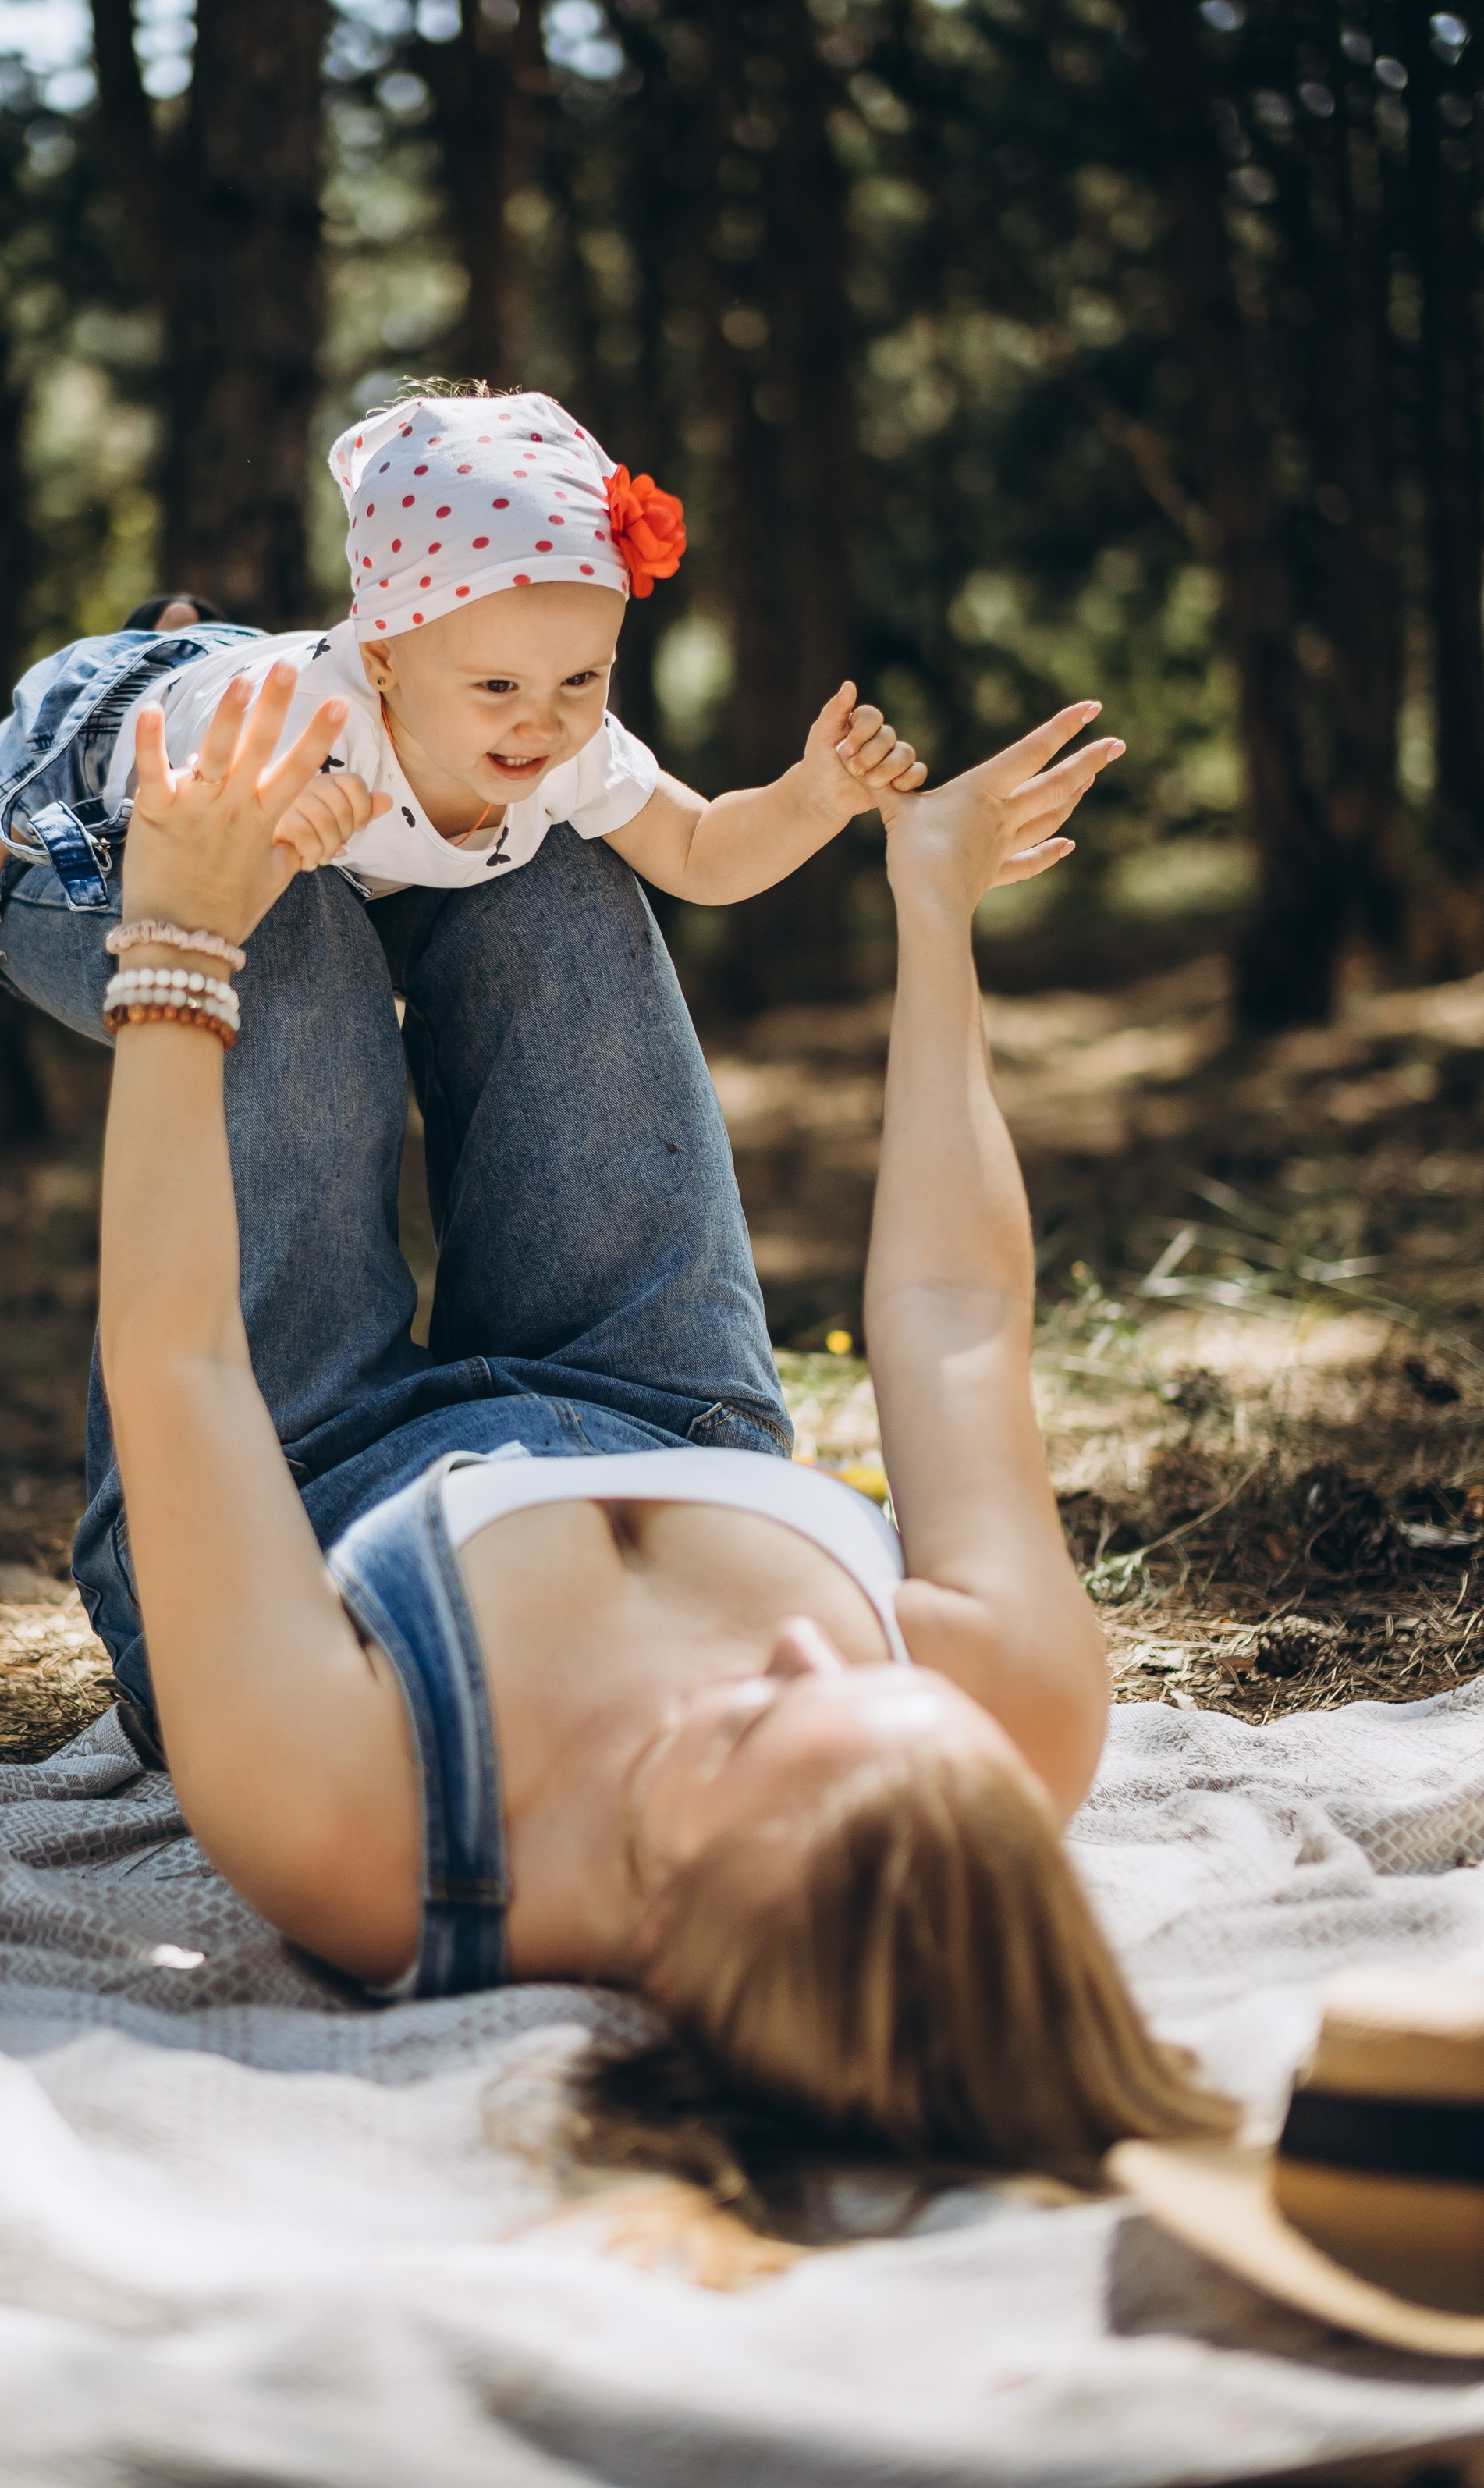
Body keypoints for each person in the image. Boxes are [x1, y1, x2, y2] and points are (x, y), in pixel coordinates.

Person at [70, 654, 1231, 2258]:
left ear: (664, 1940)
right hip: (658, 1393)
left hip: (293, 1451)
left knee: (290, 910)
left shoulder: (365, 1837)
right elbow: (959, 1316)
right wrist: (937, 905)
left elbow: (177, 1362)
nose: (811, 1648)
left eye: (765, 1718)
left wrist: (174, 945)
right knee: (539, 854)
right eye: (868, 1675)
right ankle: (223, 673)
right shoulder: (1003, 1726)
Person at [0, 386, 925, 1117]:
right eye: (499, 686)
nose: (542, 720)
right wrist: (276, 852)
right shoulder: (327, 736)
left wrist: (816, 798)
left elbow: (698, 852)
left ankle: (193, 644)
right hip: (101, 762)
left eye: (585, 677)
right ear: (387, 654)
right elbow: (200, 914)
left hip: (251, 684)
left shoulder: (561, 737)